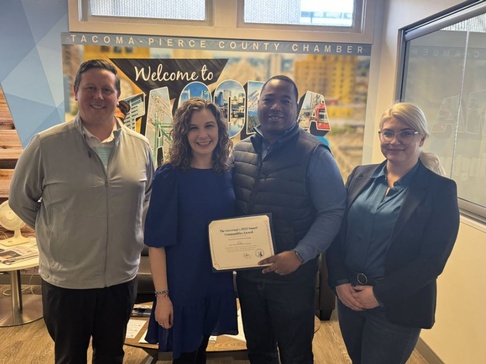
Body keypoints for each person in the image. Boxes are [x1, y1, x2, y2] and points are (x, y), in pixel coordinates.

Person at [8, 59, 155, 363]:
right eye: (90, 88)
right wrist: (57, 231)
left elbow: (146, 199)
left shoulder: (141, 147)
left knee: (112, 355)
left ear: (117, 97)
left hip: (121, 279)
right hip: (67, 282)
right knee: (69, 357)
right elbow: (20, 200)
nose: (98, 96)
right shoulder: (46, 145)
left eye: (106, 89)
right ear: (76, 92)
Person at [326, 102, 460, 364]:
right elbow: (337, 234)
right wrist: (339, 282)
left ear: (422, 137)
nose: (395, 140)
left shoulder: (440, 190)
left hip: (397, 305)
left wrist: (379, 295)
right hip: (350, 297)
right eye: (388, 133)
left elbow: (433, 260)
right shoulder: (360, 175)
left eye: (406, 133)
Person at [232, 75, 346, 364]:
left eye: (285, 101)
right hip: (249, 276)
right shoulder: (241, 150)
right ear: (258, 104)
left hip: (292, 278)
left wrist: (298, 255)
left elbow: (333, 212)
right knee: (258, 350)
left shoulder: (315, 155)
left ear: (296, 108)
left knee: (295, 354)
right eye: (269, 99)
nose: (276, 107)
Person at [144, 98, 237, 363]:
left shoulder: (228, 173)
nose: (203, 135)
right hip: (182, 288)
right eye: (193, 128)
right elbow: (156, 243)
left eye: (209, 126)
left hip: (216, 284)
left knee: (201, 354)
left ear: (220, 130)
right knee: (184, 357)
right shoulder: (169, 176)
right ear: (183, 134)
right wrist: (162, 297)